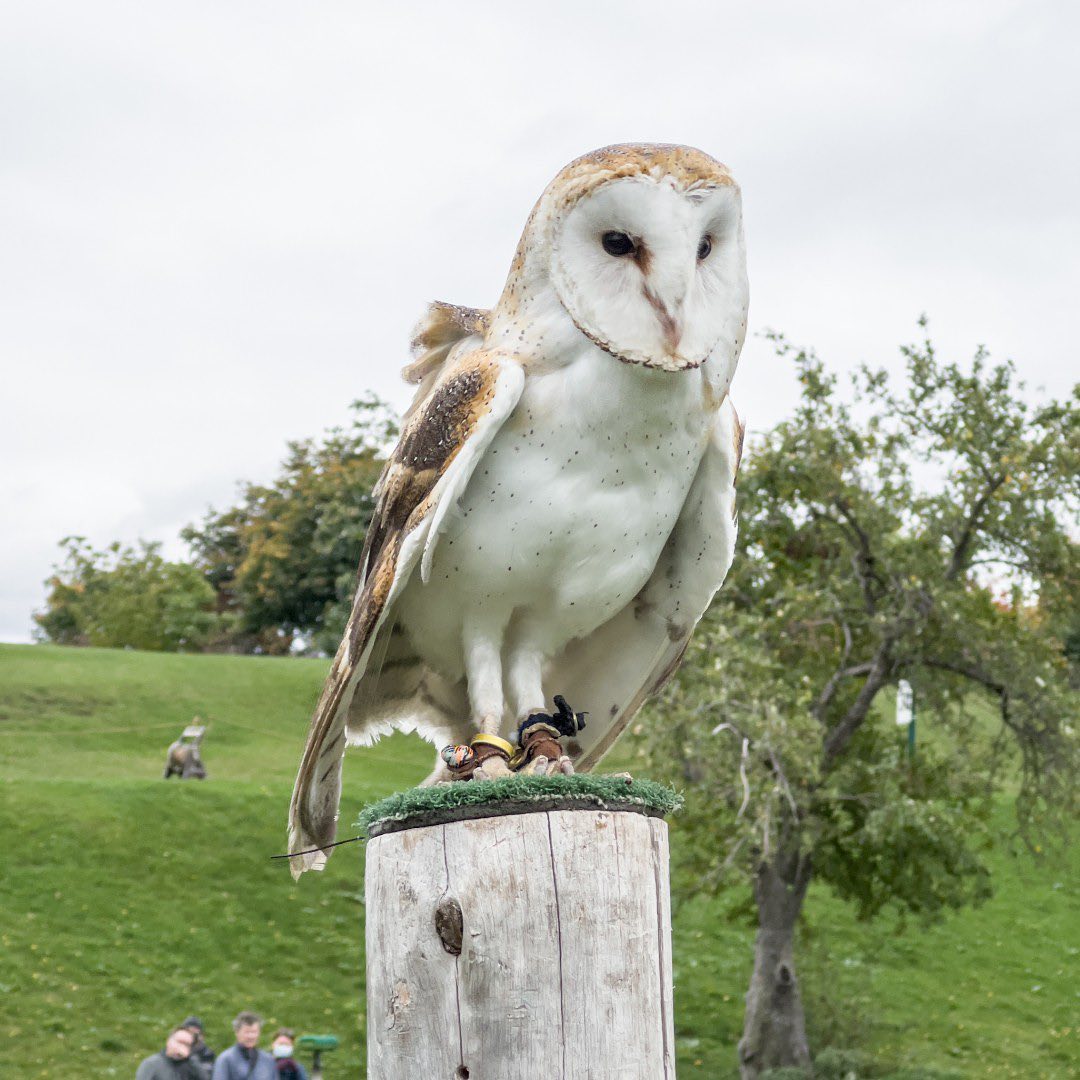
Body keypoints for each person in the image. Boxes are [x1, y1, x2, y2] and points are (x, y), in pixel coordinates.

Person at [211, 1012, 276, 1080]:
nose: (251, 1036)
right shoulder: (225, 1059)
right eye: (247, 1032)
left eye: (254, 1032)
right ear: (237, 1032)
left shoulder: (268, 1060)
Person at [135, 1025, 201, 1079]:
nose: (181, 1047)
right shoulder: (151, 1064)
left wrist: (190, 1060)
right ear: (169, 1041)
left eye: (186, 1044)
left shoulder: (191, 1065)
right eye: (179, 1042)